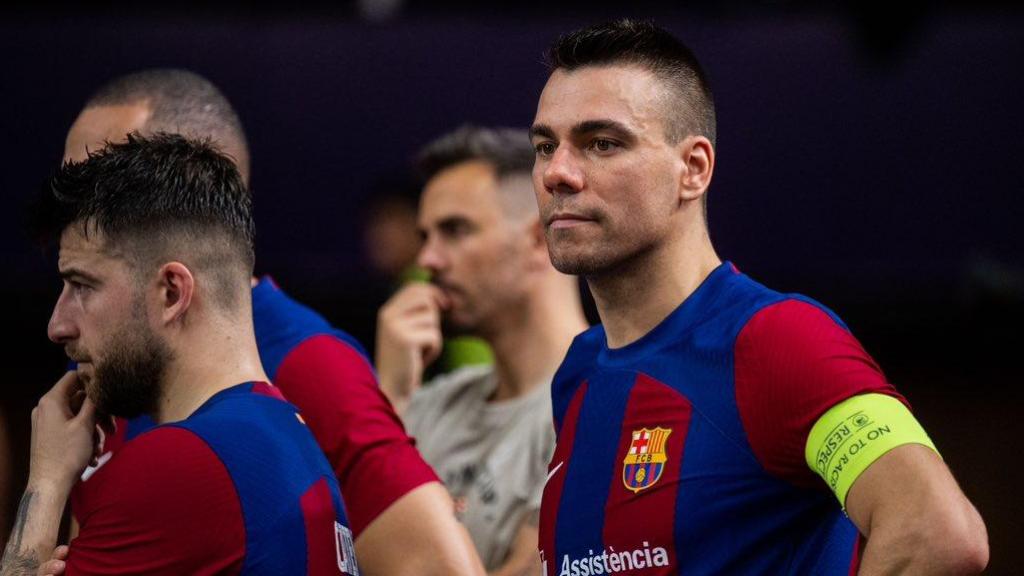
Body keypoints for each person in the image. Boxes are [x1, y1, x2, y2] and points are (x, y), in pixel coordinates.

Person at [530, 19, 989, 575]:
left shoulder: (777, 338)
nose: (557, 172)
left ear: (693, 169)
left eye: (601, 143)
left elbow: (938, 534)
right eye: (545, 146)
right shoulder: (579, 372)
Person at [61, 69, 483, 576]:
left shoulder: (308, 360)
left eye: (100, 182)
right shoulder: (112, 358)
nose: (73, 207)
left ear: (191, 180)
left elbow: (441, 567)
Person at [2, 133, 358, 574]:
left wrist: (47, 481)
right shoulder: (287, 436)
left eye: (82, 286)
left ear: (172, 292)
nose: (58, 326)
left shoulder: (185, 467)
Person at [376, 126, 588, 576]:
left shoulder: (599, 399)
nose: (428, 260)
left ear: (537, 240)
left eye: (454, 230)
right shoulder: (425, 406)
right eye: (425, 236)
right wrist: (388, 399)